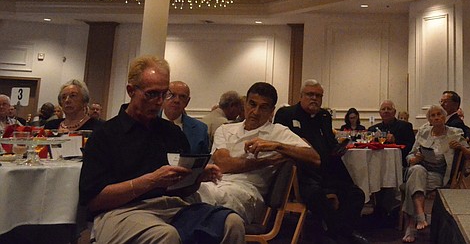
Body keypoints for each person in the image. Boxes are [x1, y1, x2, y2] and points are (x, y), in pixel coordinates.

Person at [79, 55, 245, 244]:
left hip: (171, 206)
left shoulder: (171, 132)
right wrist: (151, 181)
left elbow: (181, 191)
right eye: (151, 94)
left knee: (232, 223)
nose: (159, 102)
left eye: (163, 94)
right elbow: (93, 200)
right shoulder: (105, 135)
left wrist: (195, 177)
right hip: (121, 212)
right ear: (131, 91)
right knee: (166, 236)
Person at [196, 82, 320, 222]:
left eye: (263, 107)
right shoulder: (225, 129)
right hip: (215, 184)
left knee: (203, 203)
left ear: (271, 111)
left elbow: (315, 158)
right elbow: (224, 165)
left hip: (248, 194)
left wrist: (276, 146)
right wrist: (266, 161)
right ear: (245, 104)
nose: (255, 112)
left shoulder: (278, 132)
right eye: (252, 104)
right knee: (188, 194)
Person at [274, 80, 369, 244]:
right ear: (301, 96)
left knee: (357, 194)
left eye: (318, 96)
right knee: (317, 196)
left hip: (326, 171)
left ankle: (338, 232)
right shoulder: (286, 114)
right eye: (310, 94)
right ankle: (340, 233)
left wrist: (339, 148)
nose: (314, 99)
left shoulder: (324, 116)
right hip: (301, 174)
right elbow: (282, 145)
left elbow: (329, 143)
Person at [401, 105, 470, 243]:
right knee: (416, 170)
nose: (436, 117)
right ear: (429, 119)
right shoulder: (424, 132)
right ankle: (421, 216)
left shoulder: (455, 133)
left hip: (438, 174)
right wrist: (415, 158)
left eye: (439, 114)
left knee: (413, 182)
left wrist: (462, 148)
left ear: (444, 117)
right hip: (420, 168)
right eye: (432, 115)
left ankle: (411, 226)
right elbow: (410, 156)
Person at [161, 81, 209, 155]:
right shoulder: (148, 123)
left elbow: (203, 161)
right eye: (172, 95)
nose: (177, 100)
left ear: (187, 102)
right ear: (163, 97)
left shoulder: (200, 129)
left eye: (182, 97)